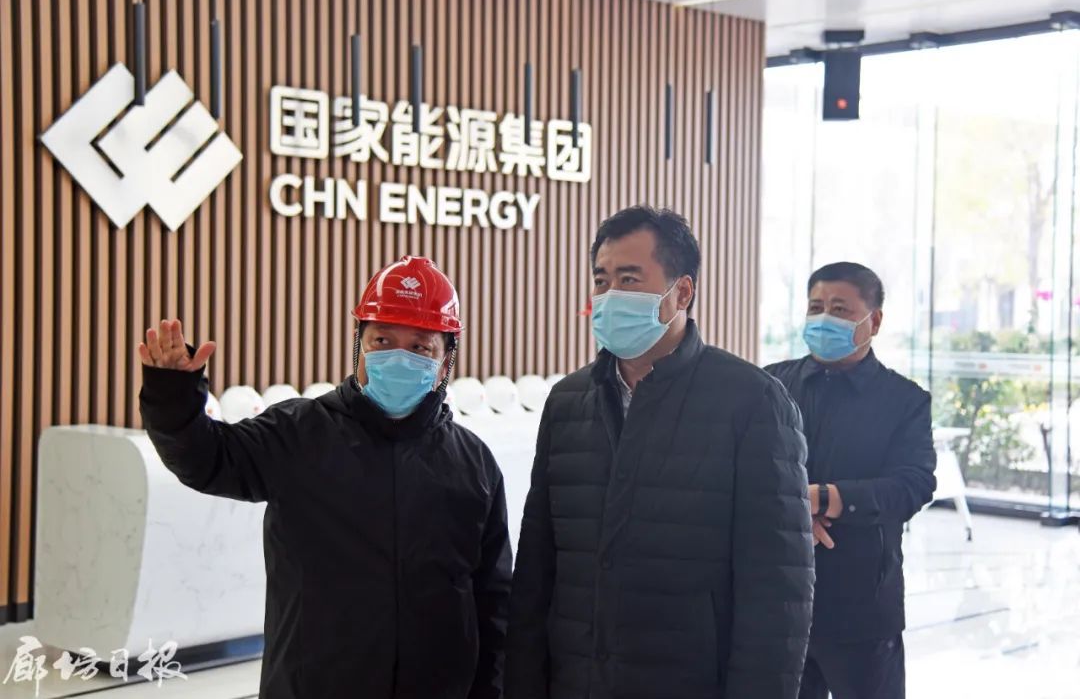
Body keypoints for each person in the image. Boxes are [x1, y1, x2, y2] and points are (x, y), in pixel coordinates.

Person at [138, 256, 512, 699]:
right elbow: (206, 459)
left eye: (420, 347)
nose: (399, 358)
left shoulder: (472, 463)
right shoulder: (297, 434)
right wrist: (173, 397)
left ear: (446, 360)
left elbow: (494, 599)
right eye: (383, 340)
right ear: (359, 344)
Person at [505, 206, 815, 699]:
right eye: (601, 280)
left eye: (629, 279)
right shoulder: (567, 401)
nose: (610, 295)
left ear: (682, 292)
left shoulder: (753, 402)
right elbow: (537, 569)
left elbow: (778, 590)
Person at [765, 262, 937, 699]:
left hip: (862, 607)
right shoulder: (770, 385)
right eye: (816, 307)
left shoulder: (904, 400)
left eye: (840, 309)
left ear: (873, 321)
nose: (825, 319)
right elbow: (741, 469)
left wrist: (824, 498)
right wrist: (795, 508)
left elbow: (914, 484)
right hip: (776, 601)